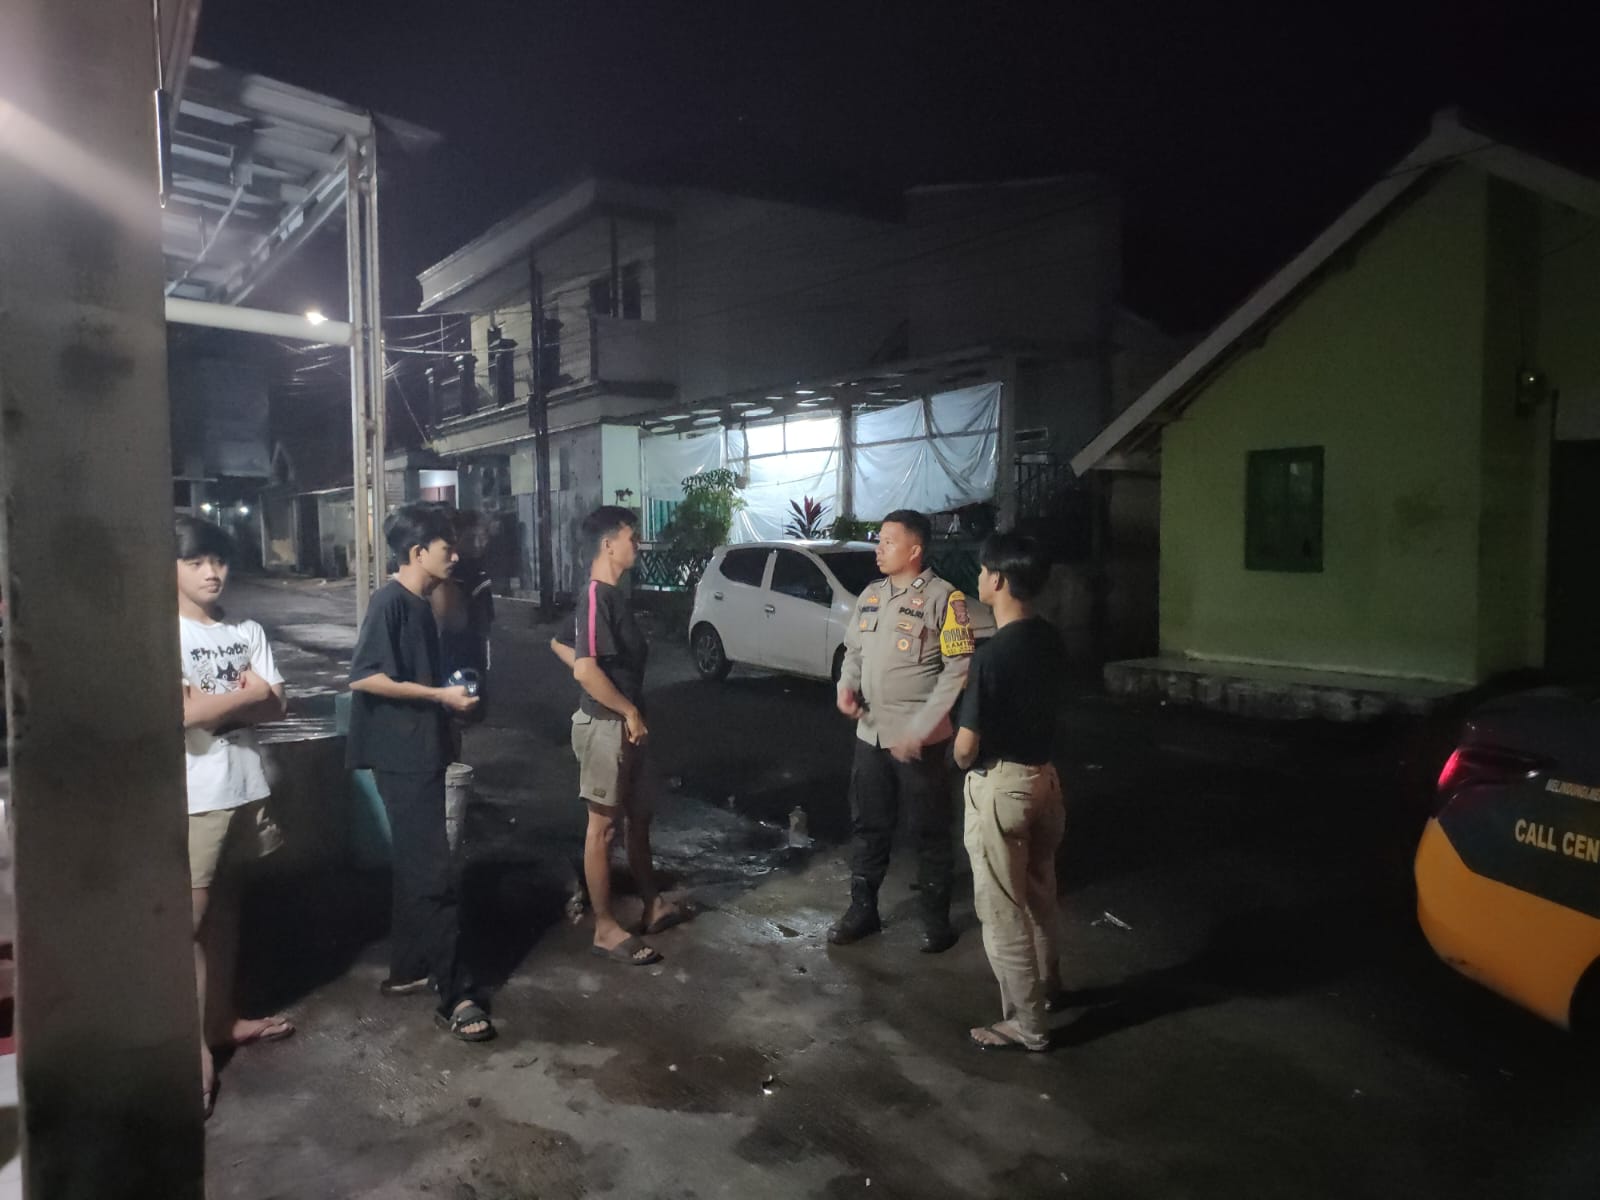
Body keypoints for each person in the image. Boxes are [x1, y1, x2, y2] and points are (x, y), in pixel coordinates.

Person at [347, 504, 494, 1042]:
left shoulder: (422, 602)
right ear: (417, 552)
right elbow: (363, 676)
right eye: (446, 548)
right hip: (401, 757)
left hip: (421, 751)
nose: (455, 556)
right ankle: (456, 995)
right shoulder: (390, 602)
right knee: (433, 872)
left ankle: (408, 969)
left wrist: (451, 706)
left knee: (416, 865)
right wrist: (438, 696)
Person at [176, 515, 295, 1116]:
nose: (212, 572)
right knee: (187, 922)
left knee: (225, 912)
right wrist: (248, 693)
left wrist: (221, 702)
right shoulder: (163, 633)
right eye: (196, 561)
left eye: (219, 560)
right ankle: (190, 1052)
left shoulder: (246, 629)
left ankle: (220, 1022)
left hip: (244, 787)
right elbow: (184, 715)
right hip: (193, 797)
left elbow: (279, 704)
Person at [832, 508, 976, 953]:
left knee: (930, 831)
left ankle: (936, 922)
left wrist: (922, 727)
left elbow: (958, 670)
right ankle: (863, 911)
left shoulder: (944, 599)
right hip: (871, 735)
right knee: (868, 827)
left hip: (921, 743)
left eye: (888, 542)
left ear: (914, 550)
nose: (879, 549)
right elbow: (854, 651)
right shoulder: (871, 595)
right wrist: (845, 687)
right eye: (879, 540)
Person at [549, 505, 681, 966]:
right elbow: (584, 667)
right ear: (608, 545)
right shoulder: (595, 596)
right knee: (602, 828)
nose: (637, 545)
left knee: (638, 818)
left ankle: (653, 904)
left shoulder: (610, 596)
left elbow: (562, 642)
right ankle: (605, 928)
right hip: (606, 725)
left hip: (627, 724)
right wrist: (624, 708)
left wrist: (629, 711)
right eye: (631, 537)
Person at [953, 532, 1068, 1052]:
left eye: (983, 571)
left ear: (997, 580)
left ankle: (1029, 1024)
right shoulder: (1050, 639)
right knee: (1041, 893)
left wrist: (959, 760)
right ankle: (1049, 987)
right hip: (1045, 780)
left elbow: (965, 747)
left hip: (1002, 788)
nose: (979, 578)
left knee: (1003, 910)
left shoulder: (992, 656)